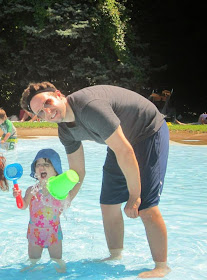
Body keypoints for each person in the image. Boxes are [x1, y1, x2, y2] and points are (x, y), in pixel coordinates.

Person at [20, 81, 171, 278]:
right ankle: (115, 255)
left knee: (146, 207)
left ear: (58, 94)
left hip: (147, 131)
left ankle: (161, 266)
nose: (47, 113)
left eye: (47, 103)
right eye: (40, 113)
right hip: (120, 141)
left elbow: (125, 151)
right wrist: (65, 201)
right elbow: (77, 172)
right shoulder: (65, 131)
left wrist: (134, 195)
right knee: (108, 203)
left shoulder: (90, 107)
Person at [13, 148, 70, 272]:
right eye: (38, 164)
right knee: (33, 262)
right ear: (34, 170)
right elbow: (23, 206)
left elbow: (66, 205)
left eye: (46, 164)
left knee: (58, 261)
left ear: (56, 170)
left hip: (54, 232)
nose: (41, 167)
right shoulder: (31, 190)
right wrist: (18, 196)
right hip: (35, 232)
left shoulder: (59, 191)